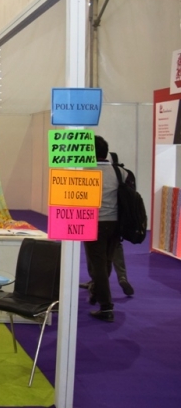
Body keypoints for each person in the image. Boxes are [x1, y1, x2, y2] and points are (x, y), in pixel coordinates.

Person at [85, 135, 120, 322]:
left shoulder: (85, 172)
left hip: (93, 223)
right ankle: (97, 292)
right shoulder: (120, 172)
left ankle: (106, 306)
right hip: (115, 224)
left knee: (97, 264)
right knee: (106, 261)